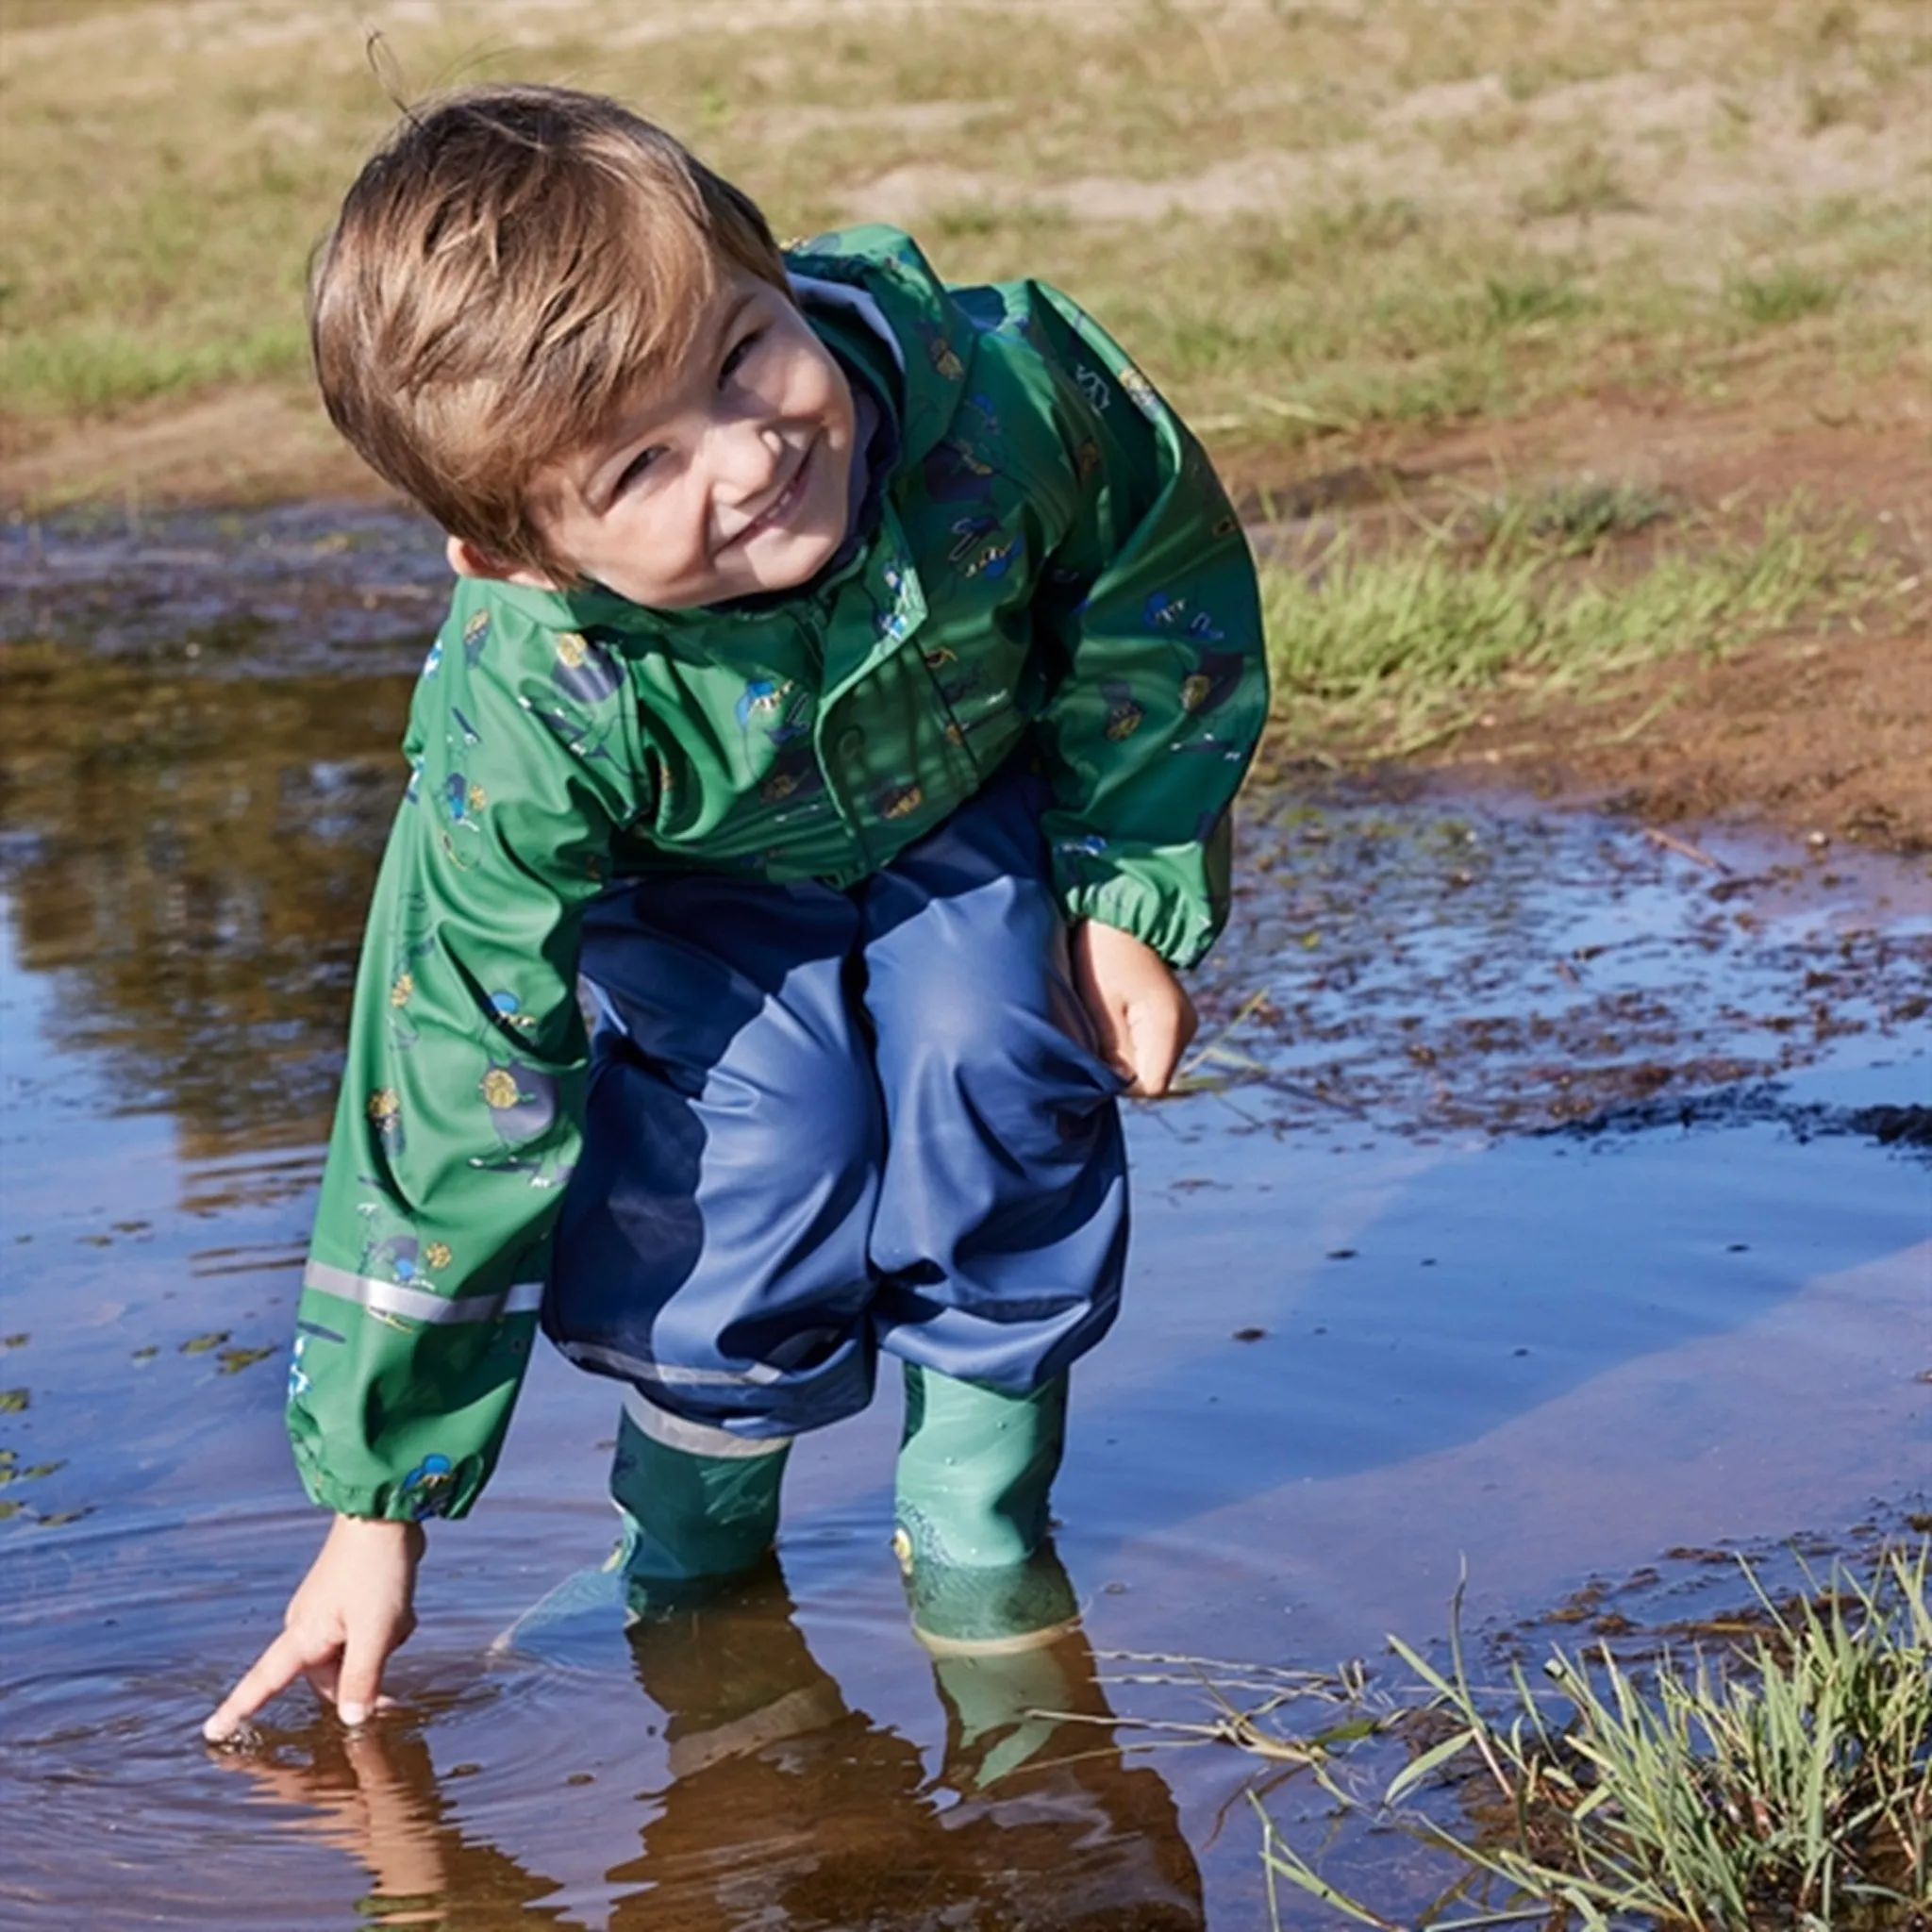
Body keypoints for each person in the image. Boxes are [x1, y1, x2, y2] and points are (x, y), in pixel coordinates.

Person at [203, 82, 1265, 1744]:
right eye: (641, 462)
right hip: (700, 887)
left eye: (745, 352)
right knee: (752, 1157)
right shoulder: (534, 703)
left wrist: (1125, 882)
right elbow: (452, 1061)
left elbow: (1151, 568)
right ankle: (690, 1568)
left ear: (767, 264)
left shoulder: (994, 395)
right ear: (514, 553)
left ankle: (979, 1528)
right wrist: (377, 1504)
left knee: (996, 1052)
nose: (755, 451)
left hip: (960, 791)